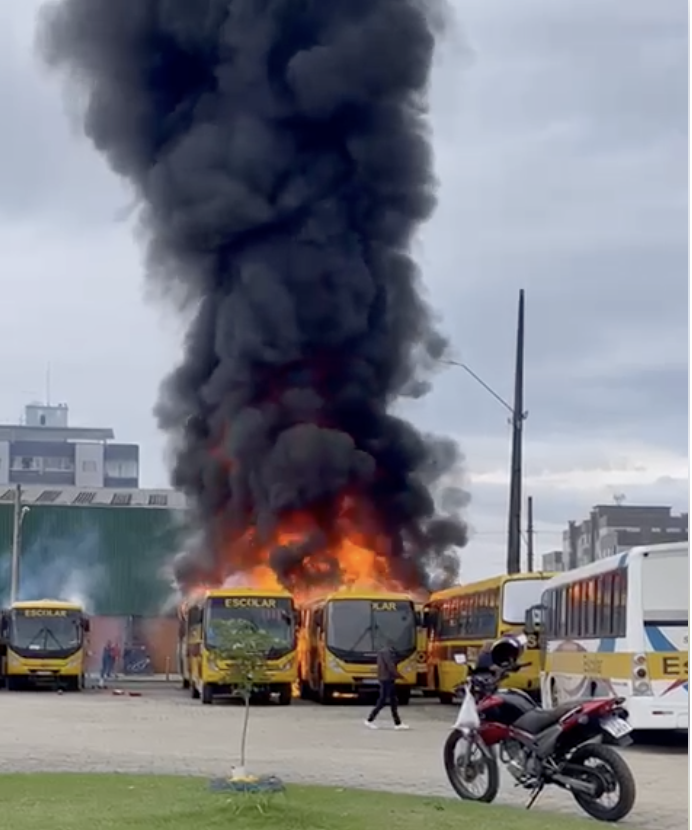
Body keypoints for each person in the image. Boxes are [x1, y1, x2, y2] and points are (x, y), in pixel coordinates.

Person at [364, 643, 409, 730]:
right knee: (383, 701)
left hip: (386, 678)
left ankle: (397, 723)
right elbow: (390, 666)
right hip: (387, 679)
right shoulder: (386, 653)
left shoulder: (383, 652)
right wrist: (400, 676)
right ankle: (369, 720)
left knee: (393, 701)